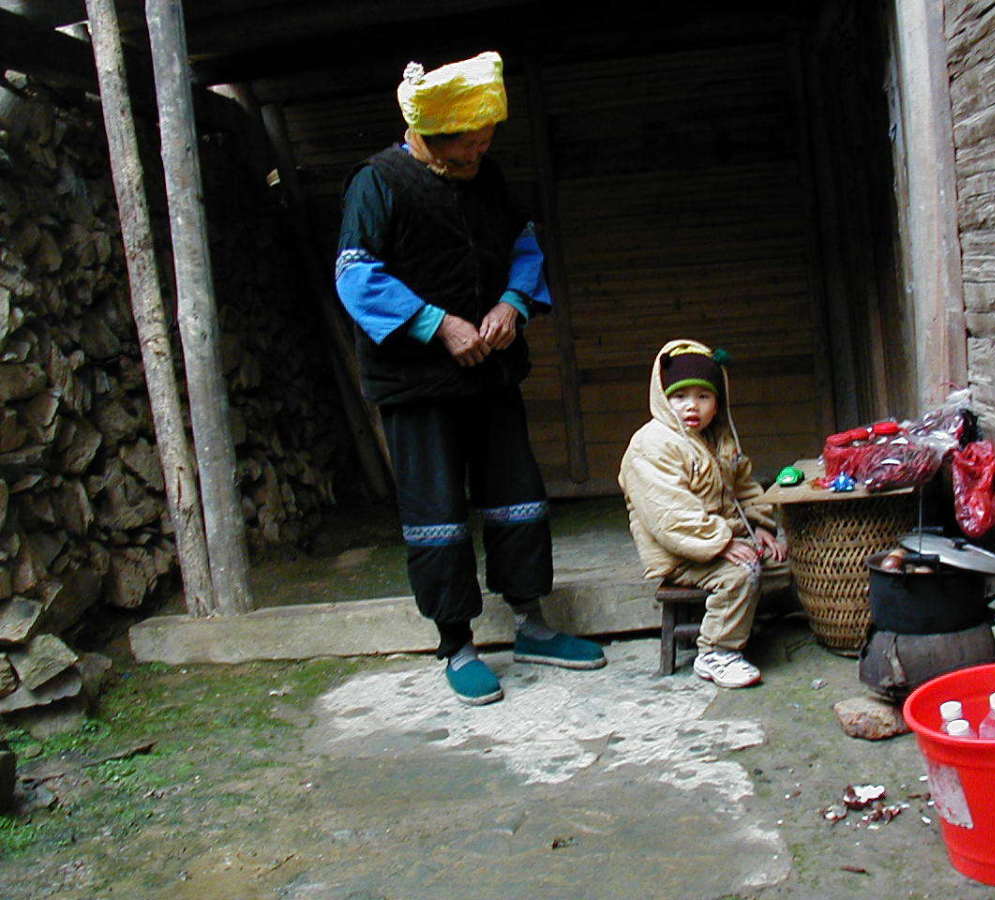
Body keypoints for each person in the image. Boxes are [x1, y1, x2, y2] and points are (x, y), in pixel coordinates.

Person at [334, 51, 605, 706]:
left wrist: (512, 302)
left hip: (491, 375)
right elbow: (355, 276)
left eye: (487, 140)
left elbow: (523, 245)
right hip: (417, 385)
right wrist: (436, 324)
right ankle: (456, 643)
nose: (480, 152)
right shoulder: (377, 183)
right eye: (469, 142)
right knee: (436, 515)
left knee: (517, 497)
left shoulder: (488, 176)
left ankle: (532, 625)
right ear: (429, 134)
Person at [618, 340, 788, 688]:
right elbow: (670, 513)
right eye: (680, 397)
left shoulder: (719, 437)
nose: (691, 406)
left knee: (785, 560)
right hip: (680, 550)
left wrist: (758, 526)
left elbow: (743, 487)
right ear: (663, 399)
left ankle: (750, 618)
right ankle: (717, 652)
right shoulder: (652, 444)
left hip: (719, 535)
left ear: (718, 402)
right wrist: (722, 543)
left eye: (703, 396)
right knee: (740, 573)